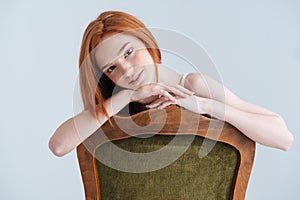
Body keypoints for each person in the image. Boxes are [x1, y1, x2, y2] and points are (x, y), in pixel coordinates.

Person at [48, 11, 293, 157]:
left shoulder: (194, 85)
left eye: (129, 52)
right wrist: (125, 97)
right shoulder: (110, 109)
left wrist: (205, 105)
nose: (128, 70)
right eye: (112, 68)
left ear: (147, 42)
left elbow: (284, 138)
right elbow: (58, 146)